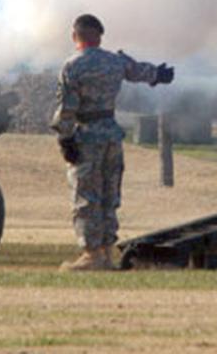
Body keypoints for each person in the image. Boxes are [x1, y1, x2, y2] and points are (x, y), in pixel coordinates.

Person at [51, 14, 175, 271]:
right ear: (99, 36)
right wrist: (158, 74)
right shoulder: (114, 61)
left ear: (76, 37)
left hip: (86, 136)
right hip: (112, 135)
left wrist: (64, 138)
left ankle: (91, 254)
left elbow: (67, 108)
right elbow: (140, 71)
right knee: (109, 194)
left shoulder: (72, 66)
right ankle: (106, 253)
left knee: (85, 195)